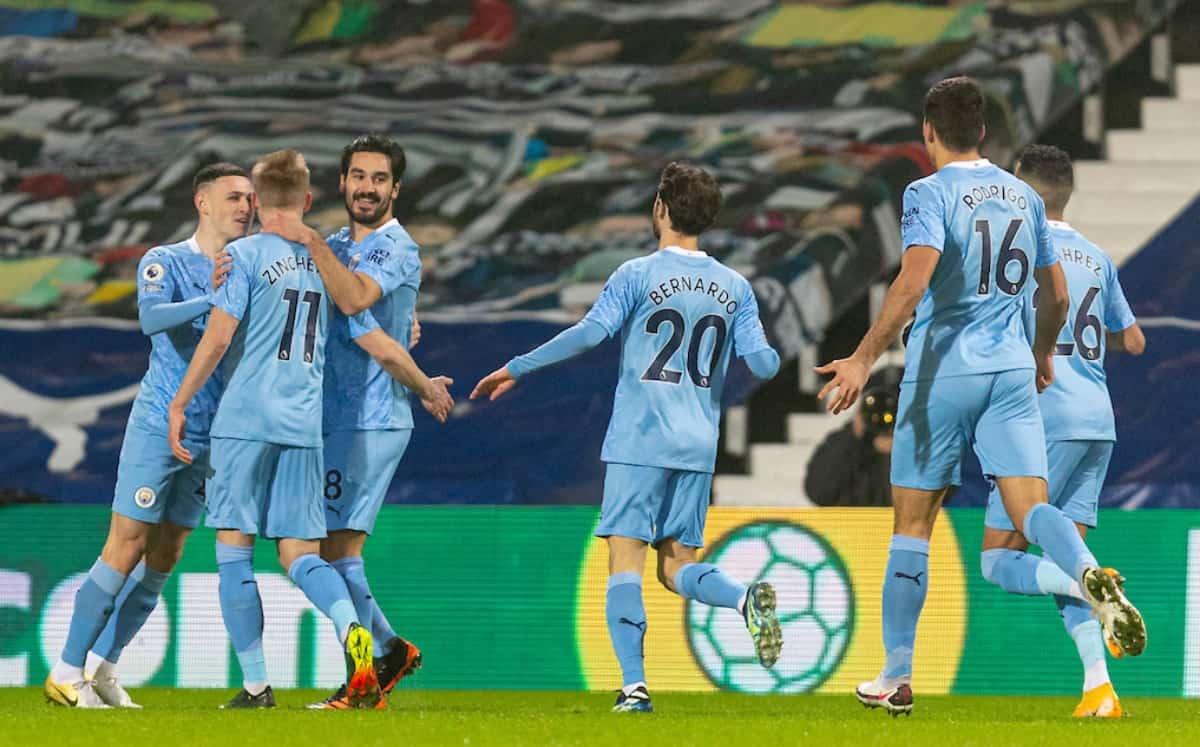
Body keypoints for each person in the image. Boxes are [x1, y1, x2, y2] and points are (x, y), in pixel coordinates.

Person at [813, 76, 1146, 716]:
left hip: (944, 371)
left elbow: (912, 285)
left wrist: (861, 359)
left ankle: (896, 676)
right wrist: (1043, 352)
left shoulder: (927, 192)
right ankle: (1083, 571)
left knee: (913, 524)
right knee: (1031, 508)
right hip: (1012, 374)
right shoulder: (1023, 196)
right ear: (985, 132)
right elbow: (1055, 294)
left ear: (928, 133)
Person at [471, 162, 783, 713]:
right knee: (677, 567)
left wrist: (515, 367)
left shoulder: (637, 274)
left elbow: (590, 333)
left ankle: (634, 687)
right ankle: (742, 600)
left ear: (660, 207)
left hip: (641, 440)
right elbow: (765, 364)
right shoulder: (735, 287)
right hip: (697, 446)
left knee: (626, 562)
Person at [166, 149, 379, 709]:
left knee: (235, 550)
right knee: (300, 553)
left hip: (245, 420)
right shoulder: (327, 259)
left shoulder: (244, 255)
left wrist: (180, 402)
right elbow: (360, 318)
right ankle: (350, 632)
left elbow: (216, 339)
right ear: (308, 201)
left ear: (256, 202)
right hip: (303, 422)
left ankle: (257, 685)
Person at [44, 163, 252, 709]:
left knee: (166, 554)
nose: (245, 207)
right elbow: (152, 319)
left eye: (250, 198)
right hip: (161, 421)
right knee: (126, 543)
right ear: (202, 202)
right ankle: (65, 671)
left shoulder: (249, 266)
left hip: (214, 433)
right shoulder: (165, 261)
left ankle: (104, 669)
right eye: (233, 196)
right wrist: (216, 300)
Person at [261, 133, 450, 709]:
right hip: (328, 416)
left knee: (327, 552)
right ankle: (385, 651)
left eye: (378, 179)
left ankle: (366, 674)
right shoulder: (340, 243)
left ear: (396, 188)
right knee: (329, 552)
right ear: (341, 183)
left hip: (369, 416)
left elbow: (355, 302)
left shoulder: (396, 247)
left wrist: (419, 381)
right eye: (358, 176)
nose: (367, 188)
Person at [978, 144, 1146, 718]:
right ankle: (1099, 689)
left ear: (1023, 191)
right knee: (1066, 559)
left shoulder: (1019, 253)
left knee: (999, 561)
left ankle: (1090, 588)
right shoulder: (1098, 257)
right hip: (1098, 420)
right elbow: (1135, 340)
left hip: (1041, 414)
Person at [805, 366, 901, 507]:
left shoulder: (927, 445)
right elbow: (818, 492)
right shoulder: (847, 440)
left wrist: (902, 453)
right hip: (854, 526)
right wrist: (854, 436)